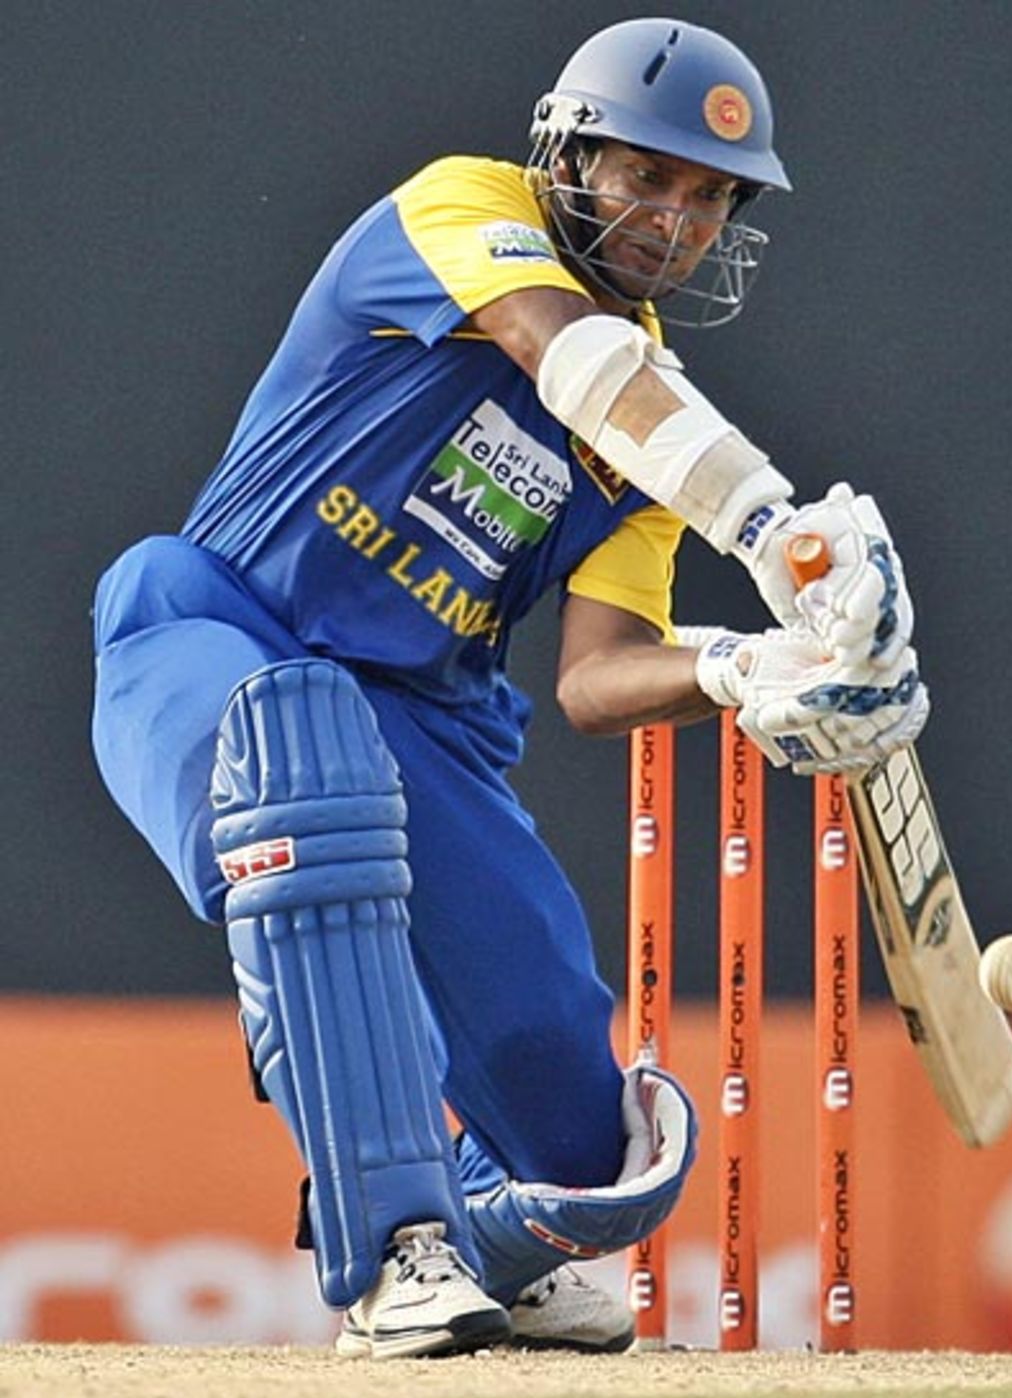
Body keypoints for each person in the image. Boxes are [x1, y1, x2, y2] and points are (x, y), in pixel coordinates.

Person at [91, 16, 928, 1361]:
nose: (674, 218)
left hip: (420, 721)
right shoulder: (460, 205)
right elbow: (568, 354)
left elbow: (599, 680)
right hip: (212, 636)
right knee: (308, 771)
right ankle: (397, 1247)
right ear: (567, 153)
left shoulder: (660, 447)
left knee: (582, 1133)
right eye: (645, 175)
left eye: (709, 198)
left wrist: (748, 666)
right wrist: (776, 530)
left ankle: (485, 1239)